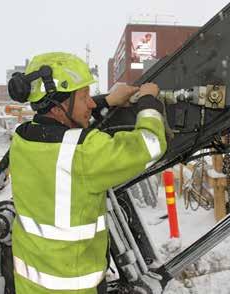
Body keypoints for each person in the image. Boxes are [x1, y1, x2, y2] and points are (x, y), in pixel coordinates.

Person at [9, 52, 167, 293]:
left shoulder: (22, 139)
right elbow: (151, 144)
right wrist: (149, 102)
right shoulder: (85, 153)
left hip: (31, 285)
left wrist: (108, 101)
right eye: (85, 97)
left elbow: (65, 125)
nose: (92, 103)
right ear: (58, 106)